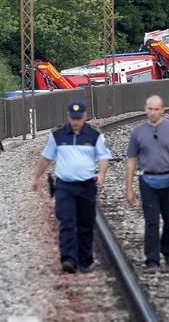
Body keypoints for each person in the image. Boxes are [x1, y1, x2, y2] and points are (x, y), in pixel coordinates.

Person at [31, 100, 112, 274]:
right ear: (68, 117)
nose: (76, 122)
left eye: (79, 118)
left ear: (85, 116)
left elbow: (104, 157)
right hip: (64, 187)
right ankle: (68, 259)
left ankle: (85, 261)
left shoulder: (94, 134)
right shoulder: (58, 135)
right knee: (67, 222)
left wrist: (102, 173)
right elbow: (46, 157)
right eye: (73, 118)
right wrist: (37, 177)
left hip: (87, 186)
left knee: (86, 224)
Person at [125, 95, 169, 272]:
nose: (153, 112)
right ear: (145, 109)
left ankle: (168, 253)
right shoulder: (137, 132)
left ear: (163, 110)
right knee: (151, 222)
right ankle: (151, 260)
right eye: (150, 109)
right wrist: (129, 189)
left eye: (156, 109)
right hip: (148, 180)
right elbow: (131, 160)